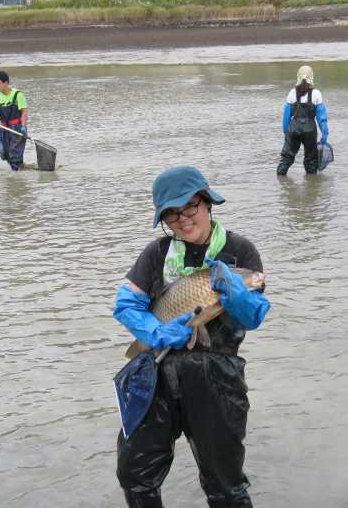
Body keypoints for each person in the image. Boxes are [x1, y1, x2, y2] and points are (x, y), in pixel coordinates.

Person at [113, 166, 271, 508]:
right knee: (133, 473)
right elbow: (126, 305)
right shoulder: (157, 253)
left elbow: (256, 315)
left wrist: (238, 298)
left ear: (207, 203)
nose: (183, 220)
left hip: (217, 380)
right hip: (156, 373)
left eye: (190, 209)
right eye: (172, 215)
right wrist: (154, 332)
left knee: (224, 482)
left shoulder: (239, 250)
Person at [276, 65, 330, 176]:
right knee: (311, 160)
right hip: (310, 130)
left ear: (298, 78)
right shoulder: (316, 94)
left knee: (286, 158)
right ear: (312, 78)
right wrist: (325, 133)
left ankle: (281, 180)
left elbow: (286, 117)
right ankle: (311, 186)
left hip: (294, 129)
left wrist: (286, 132)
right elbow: (321, 118)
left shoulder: (292, 93)